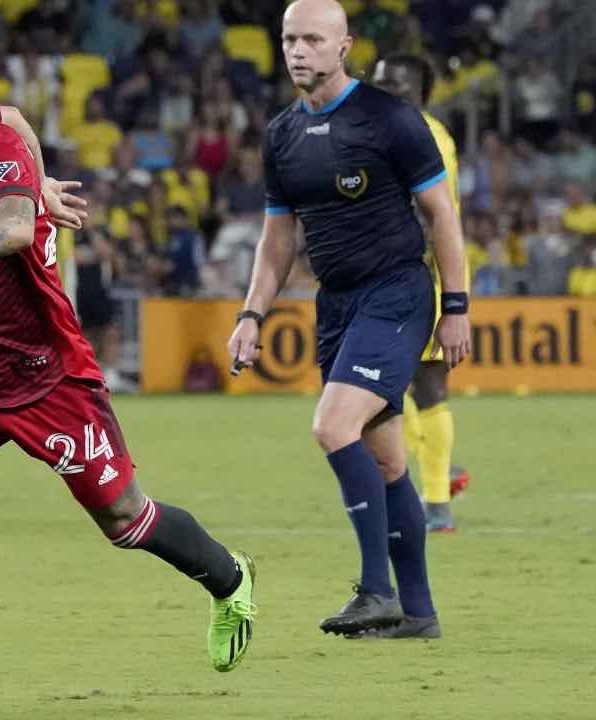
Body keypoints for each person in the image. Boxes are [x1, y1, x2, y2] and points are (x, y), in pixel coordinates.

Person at [0, 23, 257, 702]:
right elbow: (13, 119)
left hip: (50, 380)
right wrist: (40, 186)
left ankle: (231, 579)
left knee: (127, 521)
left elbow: (12, 226)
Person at [229, 0, 471, 640]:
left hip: (397, 292)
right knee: (387, 461)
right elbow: (277, 239)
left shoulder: (391, 118)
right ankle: (418, 614)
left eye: (313, 38)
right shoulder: (280, 133)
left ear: (345, 46)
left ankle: (374, 590)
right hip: (335, 305)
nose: (298, 50)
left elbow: (443, 216)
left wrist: (457, 307)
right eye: (289, 39)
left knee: (333, 427)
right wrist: (253, 313)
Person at [373, 52, 473, 533]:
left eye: (395, 85)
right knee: (378, 389)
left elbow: (439, 216)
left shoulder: (429, 135)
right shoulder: (374, 132)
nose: (384, 92)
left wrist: (444, 292)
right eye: (378, 84)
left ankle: (437, 503)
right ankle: (438, 468)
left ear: (419, 92)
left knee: (427, 385)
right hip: (377, 276)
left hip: (422, 275)